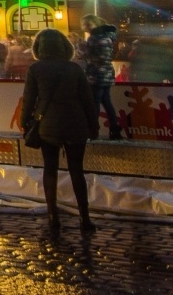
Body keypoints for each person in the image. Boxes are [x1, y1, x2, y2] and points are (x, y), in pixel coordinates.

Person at [21, 28, 98, 235]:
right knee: (77, 170)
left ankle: (53, 216)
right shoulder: (74, 68)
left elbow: (29, 100)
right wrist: (93, 126)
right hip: (76, 123)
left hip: (48, 125)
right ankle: (84, 217)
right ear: (65, 46)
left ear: (39, 47)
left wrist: (24, 123)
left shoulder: (35, 69)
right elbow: (87, 100)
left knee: (50, 169)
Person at [78, 16, 121, 139]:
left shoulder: (96, 38)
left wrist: (82, 50)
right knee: (106, 102)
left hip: (97, 75)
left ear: (96, 24)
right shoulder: (106, 36)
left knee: (94, 103)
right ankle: (114, 129)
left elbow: (100, 57)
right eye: (84, 24)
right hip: (105, 74)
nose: (86, 27)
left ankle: (93, 130)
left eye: (88, 24)